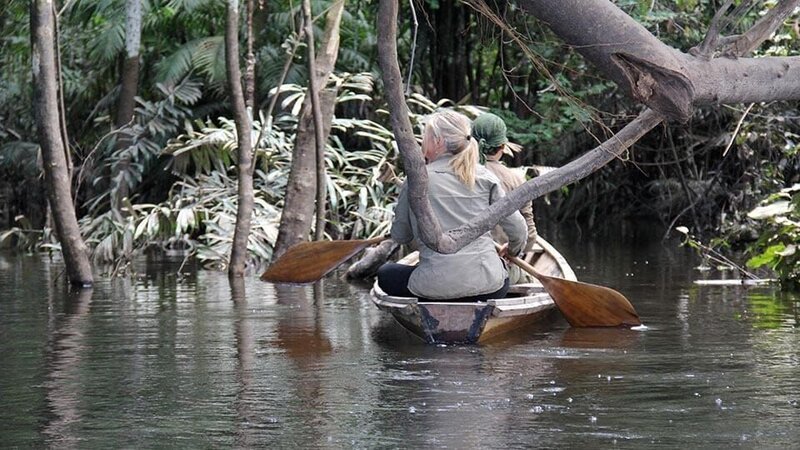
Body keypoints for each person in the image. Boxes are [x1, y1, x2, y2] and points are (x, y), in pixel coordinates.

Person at [377, 110, 528, 302]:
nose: (423, 141)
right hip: (488, 286)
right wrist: (512, 250)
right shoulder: (486, 177)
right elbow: (518, 230)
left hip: (433, 288)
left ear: (438, 142)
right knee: (501, 271)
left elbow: (401, 235)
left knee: (386, 273)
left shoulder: (416, 181)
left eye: (426, 136)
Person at [472, 112, 539, 283]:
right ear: (502, 146)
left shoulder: (454, 172)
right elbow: (529, 236)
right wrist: (512, 252)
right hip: (500, 266)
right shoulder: (516, 179)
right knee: (526, 281)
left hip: (458, 265)